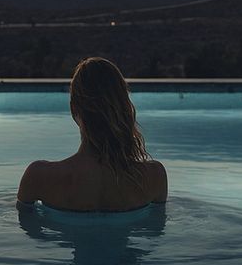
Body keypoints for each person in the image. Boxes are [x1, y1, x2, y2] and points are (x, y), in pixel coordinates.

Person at [17, 57, 167, 211]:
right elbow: (155, 229)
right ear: (125, 108)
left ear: (73, 109)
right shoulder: (154, 177)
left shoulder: (39, 176)